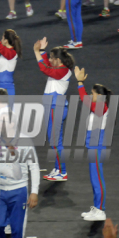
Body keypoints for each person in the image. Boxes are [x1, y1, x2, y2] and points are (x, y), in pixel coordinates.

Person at [33, 38, 73, 181]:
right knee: (54, 141)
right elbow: (47, 65)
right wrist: (42, 51)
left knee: (56, 141)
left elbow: (44, 67)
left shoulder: (63, 70)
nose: (49, 60)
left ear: (57, 59)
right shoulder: (58, 68)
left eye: (51, 58)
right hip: (52, 106)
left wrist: (37, 52)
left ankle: (62, 172)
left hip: (55, 107)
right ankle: (58, 169)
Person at [74, 67, 110, 222]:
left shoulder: (102, 107)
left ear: (100, 96)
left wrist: (80, 83)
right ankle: (97, 207)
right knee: (94, 178)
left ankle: (101, 210)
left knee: (98, 179)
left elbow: (85, 100)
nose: (90, 95)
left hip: (96, 147)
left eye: (93, 93)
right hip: (92, 146)